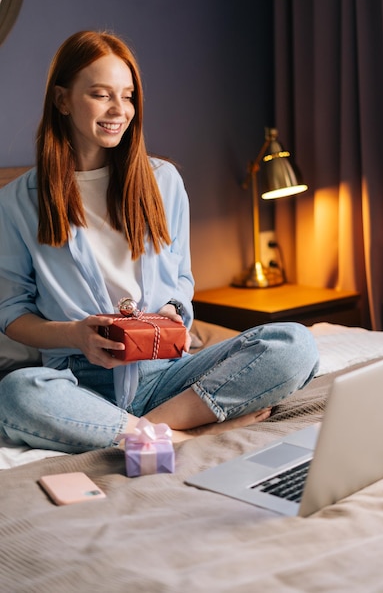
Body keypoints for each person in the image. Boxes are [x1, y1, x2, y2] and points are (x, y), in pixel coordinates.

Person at [0, 30, 319, 454]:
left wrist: (170, 313)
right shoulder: (17, 201)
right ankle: (186, 434)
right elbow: (12, 314)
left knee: (295, 345)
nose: (120, 110)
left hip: (167, 375)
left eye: (128, 96)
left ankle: (140, 431)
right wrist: (76, 335)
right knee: (18, 392)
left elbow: (182, 279)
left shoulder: (162, 181)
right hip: (78, 380)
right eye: (100, 94)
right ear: (62, 100)